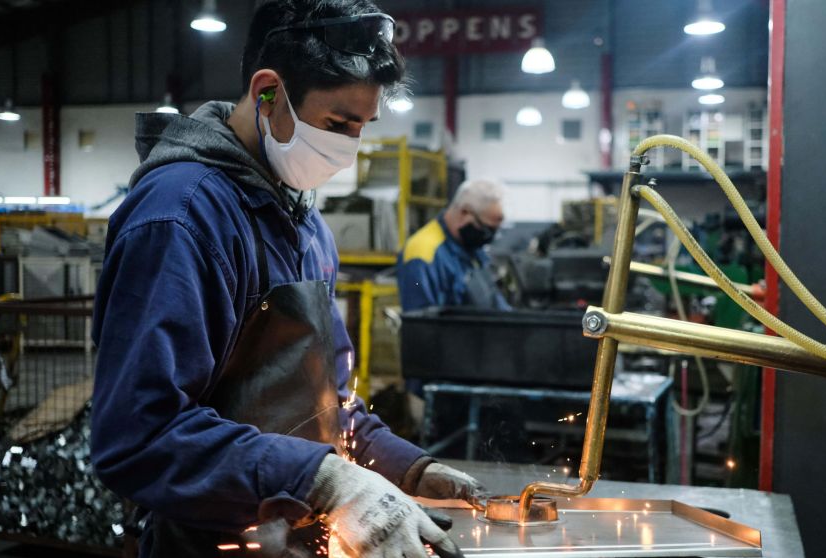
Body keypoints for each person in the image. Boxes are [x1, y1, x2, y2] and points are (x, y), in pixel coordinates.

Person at [89, 1, 487, 556]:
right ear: (269, 91)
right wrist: (321, 480)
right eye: (337, 124)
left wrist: (410, 468)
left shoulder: (304, 223)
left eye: (362, 128)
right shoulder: (181, 217)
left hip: (303, 537)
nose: (348, 151)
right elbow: (139, 435)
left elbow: (327, 403)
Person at [397, 179, 511, 312]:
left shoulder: (471, 248)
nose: (489, 238)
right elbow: (421, 322)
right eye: (486, 230)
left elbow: (494, 302)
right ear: (464, 213)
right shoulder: (422, 253)